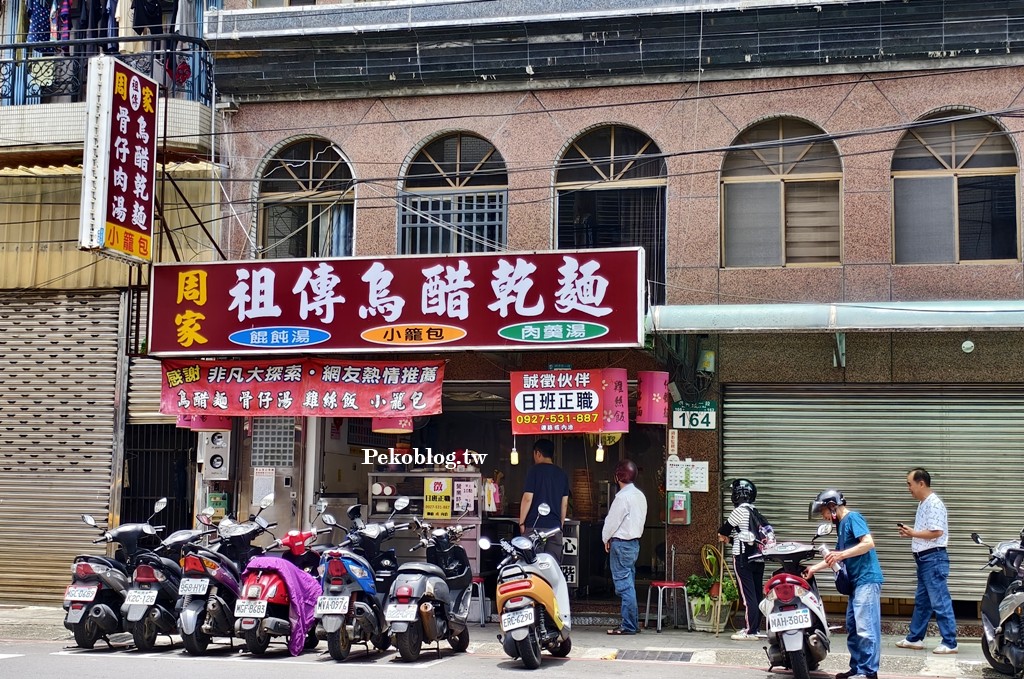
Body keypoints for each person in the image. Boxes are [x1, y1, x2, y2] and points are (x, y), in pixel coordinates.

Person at [805, 489, 884, 679]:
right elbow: (836, 557)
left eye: (823, 511)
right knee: (854, 627)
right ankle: (857, 668)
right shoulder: (841, 526)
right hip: (856, 583)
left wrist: (841, 555)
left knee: (865, 628)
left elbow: (868, 543)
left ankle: (868, 672)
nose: (824, 517)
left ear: (832, 506)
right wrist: (814, 568)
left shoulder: (853, 518)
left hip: (866, 579)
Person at [896, 467, 958, 654]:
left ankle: (950, 642)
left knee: (940, 601)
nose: (908, 488)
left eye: (910, 484)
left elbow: (937, 532)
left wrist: (912, 533)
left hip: (933, 559)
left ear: (921, 483)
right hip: (925, 560)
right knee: (923, 601)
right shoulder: (923, 503)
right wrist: (912, 533)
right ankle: (915, 638)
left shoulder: (934, 504)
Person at [602, 458, 648, 635]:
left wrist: (605, 538)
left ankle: (628, 625)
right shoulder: (639, 495)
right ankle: (632, 623)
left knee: (624, 586)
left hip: (621, 544)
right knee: (629, 584)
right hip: (634, 544)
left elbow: (612, 522)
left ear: (617, 476)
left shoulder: (622, 497)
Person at [718, 478, 765, 641]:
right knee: (758, 594)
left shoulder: (738, 512)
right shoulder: (756, 512)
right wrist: (730, 540)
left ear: (737, 495)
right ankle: (756, 628)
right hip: (758, 558)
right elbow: (745, 536)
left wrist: (724, 537)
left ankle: (749, 631)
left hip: (743, 558)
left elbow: (724, 529)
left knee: (748, 595)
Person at [518, 438, 570, 563]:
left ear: (538, 453)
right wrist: (560, 523)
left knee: (533, 566)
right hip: (554, 529)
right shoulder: (562, 474)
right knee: (552, 567)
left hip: (534, 527)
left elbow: (527, 498)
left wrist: (521, 522)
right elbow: (564, 503)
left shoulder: (534, 471)